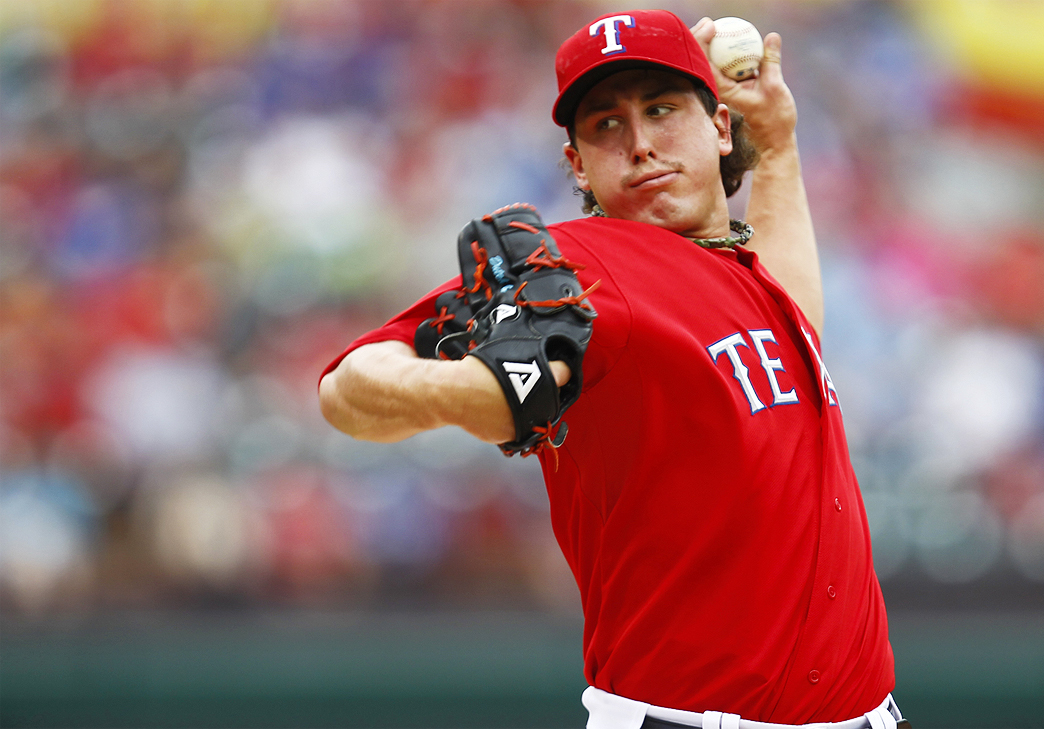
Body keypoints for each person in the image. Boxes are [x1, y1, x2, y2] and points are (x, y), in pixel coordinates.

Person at [319, 10, 904, 729]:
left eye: (661, 110)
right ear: (578, 166)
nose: (640, 145)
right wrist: (470, 390)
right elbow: (346, 384)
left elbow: (793, 321)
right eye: (605, 125)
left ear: (721, 128)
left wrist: (778, 146)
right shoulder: (585, 264)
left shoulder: (747, 277)